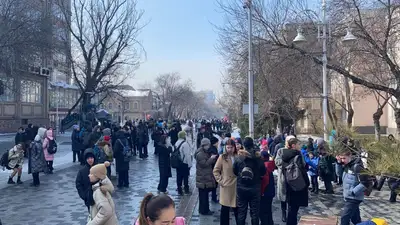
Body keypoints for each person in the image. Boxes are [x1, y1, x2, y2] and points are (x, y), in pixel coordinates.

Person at [275, 137, 309, 225]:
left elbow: (277, 162)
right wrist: (291, 166)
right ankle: (289, 220)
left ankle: (285, 216)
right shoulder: (298, 153)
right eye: (298, 144)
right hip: (295, 181)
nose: (300, 146)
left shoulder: (280, 151)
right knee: (293, 207)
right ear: (293, 145)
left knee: (288, 203)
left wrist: (286, 166)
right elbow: (304, 165)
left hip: (285, 180)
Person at [233, 137, 266, 225]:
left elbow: (234, 171)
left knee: (241, 212)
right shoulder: (258, 158)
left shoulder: (239, 158)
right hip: (255, 188)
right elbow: (263, 171)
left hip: (241, 187)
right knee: (255, 213)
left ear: (244, 145)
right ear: (252, 145)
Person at [339, 150, 373, 225]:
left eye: (344, 158)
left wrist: (354, 192)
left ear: (350, 156)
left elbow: (365, 182)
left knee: (344, 218)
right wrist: (339, 163)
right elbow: (339, 174)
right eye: (341, 158)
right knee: (355, 219)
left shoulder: (357, 167)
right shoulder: (347, 165)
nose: (342, 160)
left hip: (354, 198)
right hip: (348, 196)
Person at [213, 139, 238, 225]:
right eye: (228, 147)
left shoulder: (238, 156)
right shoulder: (222, 157)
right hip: (226, 186)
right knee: (225, 209)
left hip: (236, 186)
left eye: (231, 147)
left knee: (237, 209)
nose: (229, 149)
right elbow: (216, 170)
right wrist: (221, 181)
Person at [195, 138, 218, 215]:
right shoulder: (200, 154)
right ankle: (204, 210)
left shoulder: (204, 152)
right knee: (203, 196)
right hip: (203, 178)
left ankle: (203, 210)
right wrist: (211, 159)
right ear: (204, 145)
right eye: (207, 145)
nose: (209, 146)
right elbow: (204, 164)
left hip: (204, 177)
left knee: (204, 195)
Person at [259, 151, 275, 225]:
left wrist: (261, 192)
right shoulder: (270, 165)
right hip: (270, 192)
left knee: (263, 211)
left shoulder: (264, 166)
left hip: (265, 192)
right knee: (268, 210)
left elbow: (265, 182)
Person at [175, 131, 193, 195]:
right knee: (185, 177)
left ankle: (179, 188)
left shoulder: (176, 142)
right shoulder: (185, 144)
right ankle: (186, 189)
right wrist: (190, 164)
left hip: (178, 162)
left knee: (178, 176)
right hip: (184, 163)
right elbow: (187, 155)